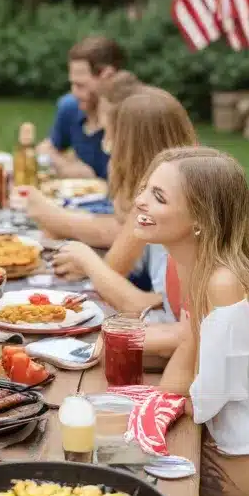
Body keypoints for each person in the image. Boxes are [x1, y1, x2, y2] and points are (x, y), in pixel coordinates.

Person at [139, 148, 249, 496]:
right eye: (145, 189)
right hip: (244, 453)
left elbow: (206, 398)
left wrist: (161, 404)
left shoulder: (223, 283)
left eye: (158, 196)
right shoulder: (198, 266)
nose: (140, 202)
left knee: (127, 486)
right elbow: (185, 370)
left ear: (200, 217)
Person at [49, 88, 197, 353]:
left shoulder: (177, 218)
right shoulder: (172, 197)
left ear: (131, 147)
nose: (106, 146)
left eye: (109, 136)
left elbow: (152, 309)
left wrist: (87, 260)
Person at [20, 70, 143, 247]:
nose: (105, 142)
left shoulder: (146, 172)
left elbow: (123, 231)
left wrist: (49, 215)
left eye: (109, 135)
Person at [39, 35, 124, 180]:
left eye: (81, 85)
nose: (74, 92)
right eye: (73, 84)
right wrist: (68, 167)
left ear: (108, 77)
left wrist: (93, 180)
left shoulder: (135, 118)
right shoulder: (70, 107)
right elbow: (46, 148)